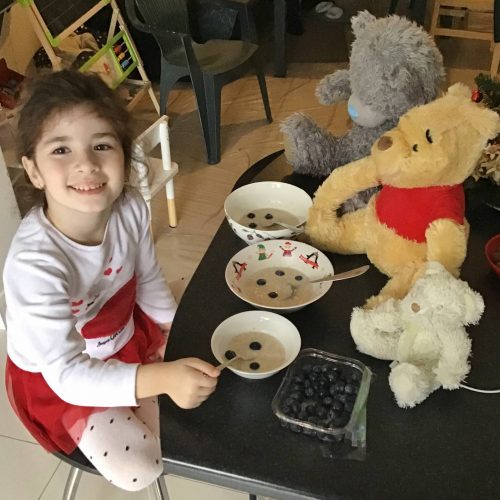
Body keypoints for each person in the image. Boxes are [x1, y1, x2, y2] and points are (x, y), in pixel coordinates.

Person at [3, 70, 221, 492]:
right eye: (61, 149)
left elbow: (148, 277)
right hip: (62, 377)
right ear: (33, 170)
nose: (86, 163)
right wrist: (163, 378)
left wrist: (176, 330)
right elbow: (68, 375)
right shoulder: (35, 265)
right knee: (139, 468)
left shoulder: (131, 207)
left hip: (124, 335)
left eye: (102, 145)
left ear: (124, 154)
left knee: (196, 417)